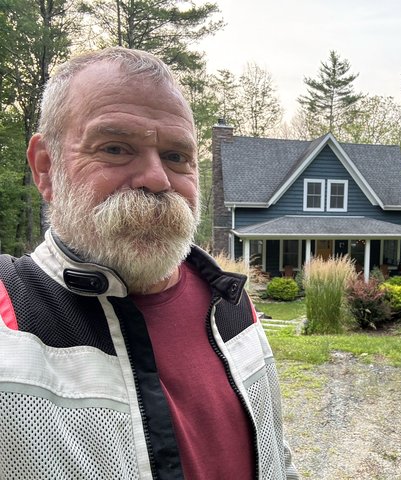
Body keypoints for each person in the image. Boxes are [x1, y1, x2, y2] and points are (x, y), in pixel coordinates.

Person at [0, 47, 298, 480]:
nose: (158, 179)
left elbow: (278, 458)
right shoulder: (12, 323)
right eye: (116, 148)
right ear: (46, 168)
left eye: (177, 156)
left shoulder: (232, 306)